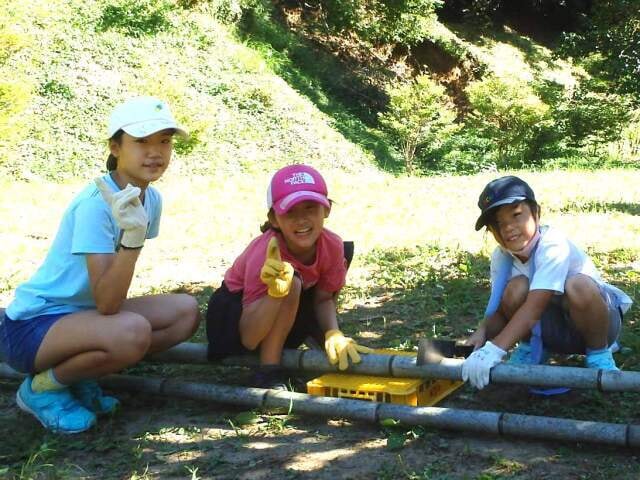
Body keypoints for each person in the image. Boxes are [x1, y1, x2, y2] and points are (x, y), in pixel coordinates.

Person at [0, 96, 200, 433]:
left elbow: (108, 299)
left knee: (185, 313)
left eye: (164, 141)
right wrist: (132, 237)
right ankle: (42, 388)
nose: (155, 152)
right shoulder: (96, 204)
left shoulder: (151, 198)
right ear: (115, 147)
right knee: (131, 332)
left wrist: (133, 234)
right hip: (34, 325)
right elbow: (108, 304)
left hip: (83, 317)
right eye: (141, 141)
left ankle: (78, 375)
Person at [206, 164, 372, 389]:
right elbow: (249, 338)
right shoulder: (265, 252)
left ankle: (312, 340)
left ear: (327, 210)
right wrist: (275, 294)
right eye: (290, 212)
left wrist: (333, 332)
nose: (302, 220)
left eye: (310, 208)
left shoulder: (332, 245)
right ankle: (268, 372)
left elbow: (323, 298)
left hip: (284, 311)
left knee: (300, 281)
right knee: (291, 281)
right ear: (274, 218)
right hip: (234, 322)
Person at [462, 175, 632, 390]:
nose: (508, 228)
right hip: (549, 332)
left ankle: (599, 354)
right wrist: (482, 335)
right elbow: (499, 308)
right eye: (498, 223)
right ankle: (530, 349)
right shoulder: (501, 257)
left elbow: (535, 306)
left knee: (577, 285)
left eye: (516, 215)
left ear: (536, 213)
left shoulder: (553, 245)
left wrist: (495, 350)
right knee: (515, 289)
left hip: (598, 325)